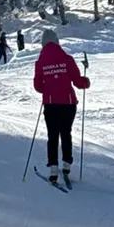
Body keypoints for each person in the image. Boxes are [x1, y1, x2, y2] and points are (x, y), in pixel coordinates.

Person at [33, 29, 90, 183]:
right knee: (66, 133)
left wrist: (48, 87)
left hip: (51, 104)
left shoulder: (40, 63)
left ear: (43, 44)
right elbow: (78, 82)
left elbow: (38, 86)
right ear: (57, 42)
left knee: (52, 135)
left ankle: (53, 168)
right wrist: (86, 81)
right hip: (68, 103)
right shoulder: (68, 59)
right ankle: (66, 164)